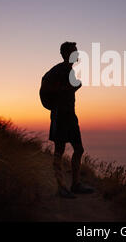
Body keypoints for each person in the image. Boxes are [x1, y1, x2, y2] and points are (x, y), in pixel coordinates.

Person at [42, 42, 94, 198]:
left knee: (78, 149)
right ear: (66, 54)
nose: (77, 54)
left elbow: (63, 89)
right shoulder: (61, 70)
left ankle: (74, 185)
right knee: (59, 151)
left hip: (69, 116)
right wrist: (74, 87)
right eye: (74, 51)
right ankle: (62, 187)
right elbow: (57, 91)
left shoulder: (67, 70)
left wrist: (73, 86)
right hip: (61, 116)